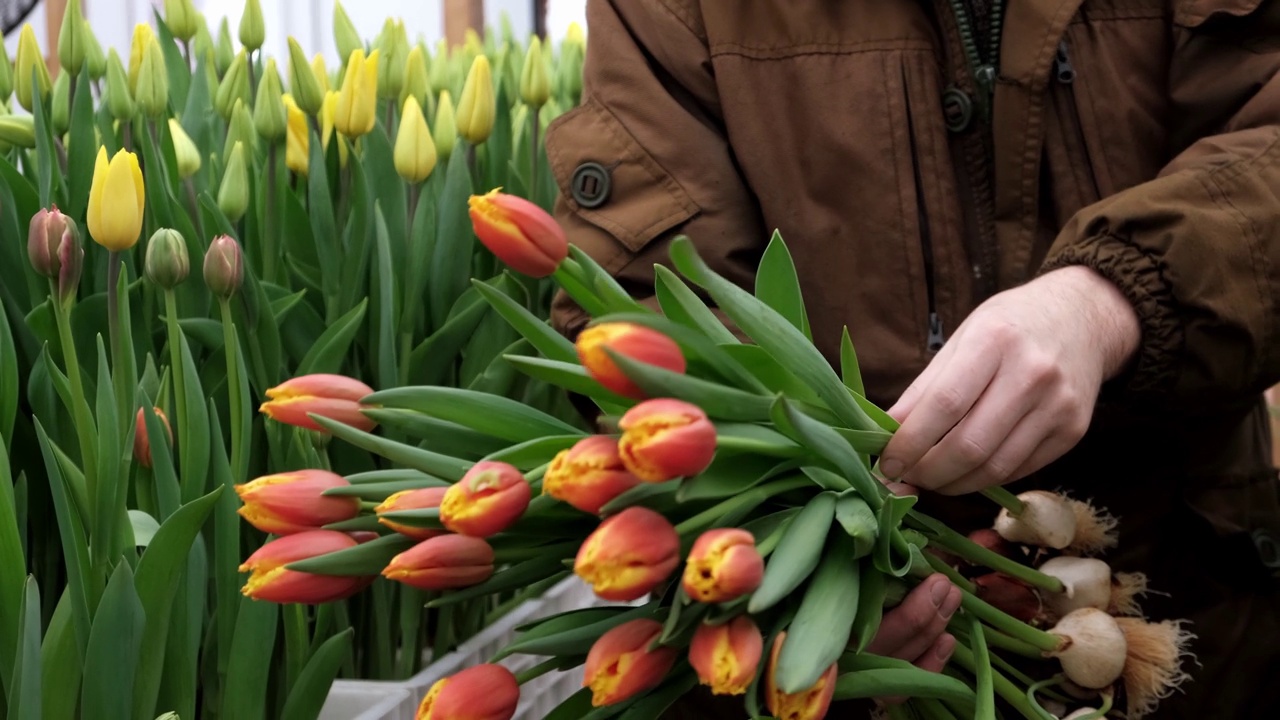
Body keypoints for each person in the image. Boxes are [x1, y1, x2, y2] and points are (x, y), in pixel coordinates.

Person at [544, 0, 1280, 718]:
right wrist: (825, 593)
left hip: (1193, 594)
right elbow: (647, 308)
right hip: (860, 639)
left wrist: (1116, 298)